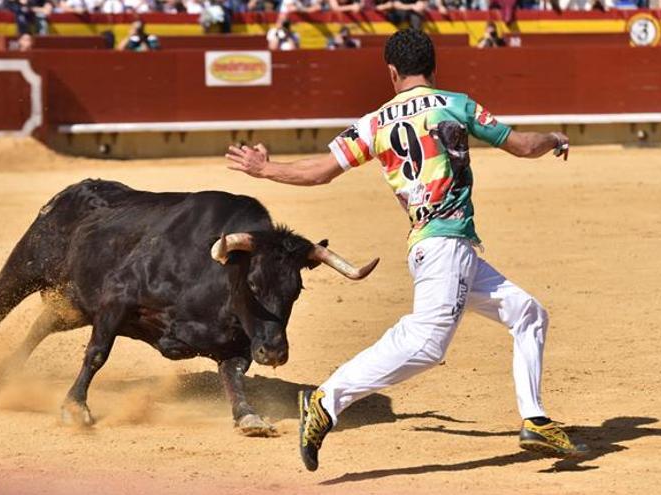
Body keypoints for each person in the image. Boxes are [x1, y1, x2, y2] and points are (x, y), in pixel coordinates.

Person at [224, 28, 586, 472]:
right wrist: (553, 138)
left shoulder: (375, 122)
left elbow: (318, 172)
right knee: (427, 342)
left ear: (392, 72)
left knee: (528, 314)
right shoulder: (456, 103)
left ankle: (535, 420)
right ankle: (325, 400)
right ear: (433, 68)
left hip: (441, 247)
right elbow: (521, 145)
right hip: (445, 244)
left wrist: (265, 169)